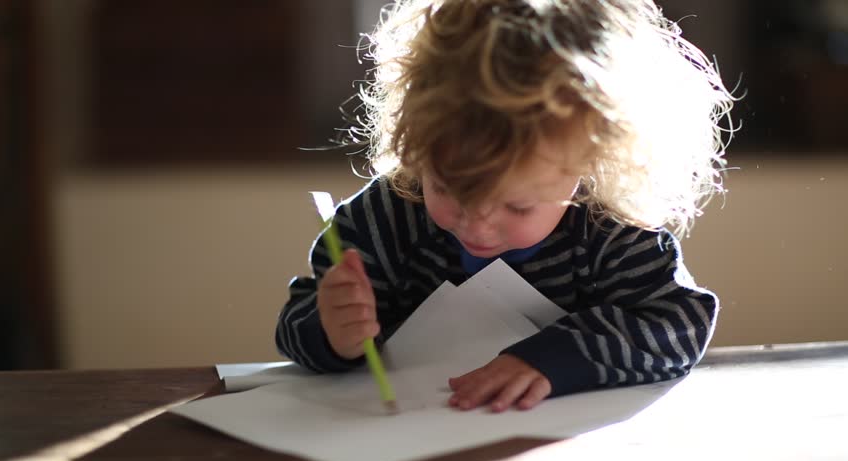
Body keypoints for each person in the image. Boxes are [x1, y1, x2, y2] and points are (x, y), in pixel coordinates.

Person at [276, 0, 735, 413]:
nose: (478, 226)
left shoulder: (609, 229)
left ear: (590, 163)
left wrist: (554, 360)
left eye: (517, 207)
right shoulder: (385, 219)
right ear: (415, 146)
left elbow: (677, 323)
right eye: (450, 191)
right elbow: (297, 320)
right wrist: (332, 333)